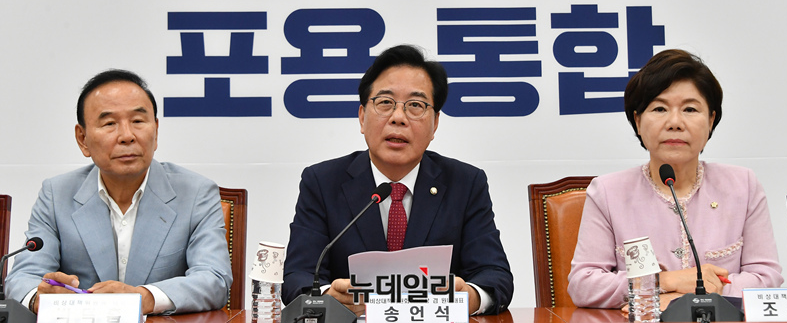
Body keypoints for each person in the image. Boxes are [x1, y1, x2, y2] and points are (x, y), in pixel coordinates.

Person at [282, 45, 513, 315]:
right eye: (385, 103)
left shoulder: (466, 183)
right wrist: (327, 299)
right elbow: (298, 276)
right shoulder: (322, 183)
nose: (398, 118)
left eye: (415, 105)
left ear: (435, 124)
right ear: (362, 117)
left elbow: (495, 276)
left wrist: (469, 297)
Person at [567, 49, 783, 309]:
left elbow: (766, 277)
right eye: (659, 108)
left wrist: (694, 294)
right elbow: (583, 285)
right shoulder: (607, 191)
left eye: (690, 109)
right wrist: (665, 282)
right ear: (637, 121)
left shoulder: (743, 186)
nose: (675, 122)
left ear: (711, 120)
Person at [5, 69, 232, 314]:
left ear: (156, 131)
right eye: (110, 123)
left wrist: (143, 297)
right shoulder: (56, 195)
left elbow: (214, 279)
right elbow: (23, 277)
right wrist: (40, 298)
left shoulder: (196, 193)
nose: (127, 136)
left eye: (138, 121)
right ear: (82, 139)